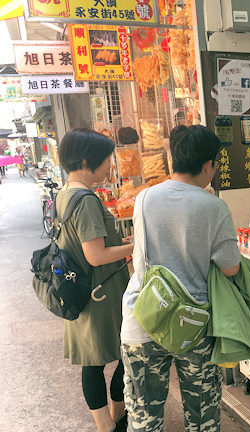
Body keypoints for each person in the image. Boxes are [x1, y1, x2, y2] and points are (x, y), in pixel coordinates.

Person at [121, 125, 241, 431]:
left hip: (143, 317)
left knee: (143, 418)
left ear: (174, 159)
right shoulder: (215, 207)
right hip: (193, 326)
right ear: (208, 166)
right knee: (202, 418)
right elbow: (230, 267)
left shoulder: (144, 198)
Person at [57, 129, 134, 432]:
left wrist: (120, 241)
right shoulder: (86, 199)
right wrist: (136, 245)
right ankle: (109, 423)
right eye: (106, 162)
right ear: (88, 161)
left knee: (97, 358)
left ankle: (113, 417)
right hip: (99, 292)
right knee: (120, 353)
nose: (109, 168)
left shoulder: (66, 193)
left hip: (82, 289)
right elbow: (96, 255)